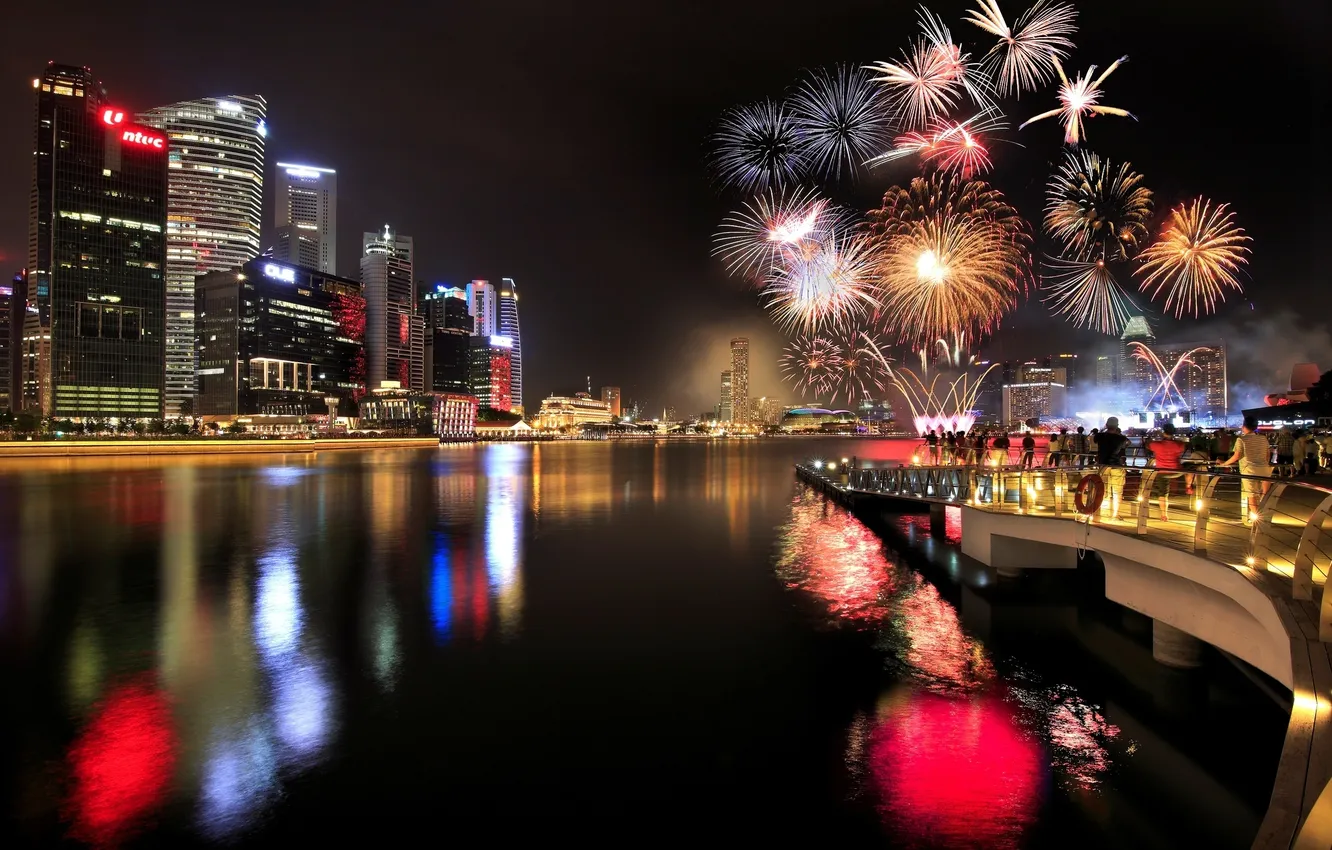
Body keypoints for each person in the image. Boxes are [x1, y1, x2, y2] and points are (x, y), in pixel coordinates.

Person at [1219, 416, 1273, 525]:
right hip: (1265, 470)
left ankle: (1258, 520)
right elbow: (1268, 455)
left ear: (1244, 427)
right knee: (1265, 494)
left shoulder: (1241, 439)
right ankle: (1264, 515)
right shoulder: (1263, 438)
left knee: (1252, 496)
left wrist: (1224, 464)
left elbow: (1237, 456)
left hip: (1249, 470)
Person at [1145, 423, 1187, 521]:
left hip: (1162, 472)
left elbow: (1147, 444)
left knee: (1162, 493)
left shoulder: (1157, 445)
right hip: (1176, 470)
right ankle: (1189, 485)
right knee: (1191, 467)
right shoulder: (1179, 444)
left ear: (1163, 432)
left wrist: (1154, 436)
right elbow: (1184, 446)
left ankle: (1164, 515)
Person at [1095, 417, 1130, 521]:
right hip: (1116, 465)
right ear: (1117, 426)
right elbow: (1128, 443)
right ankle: (1115, 514)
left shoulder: (1100, 436)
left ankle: (1099, 511)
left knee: (1101, 489)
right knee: (1117, 491)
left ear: (1106, 425)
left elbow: (1095, 438)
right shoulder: (1121, 438)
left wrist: (1103, 429)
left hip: (1103, 466)